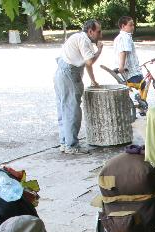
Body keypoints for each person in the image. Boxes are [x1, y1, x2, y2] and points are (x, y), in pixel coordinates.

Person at [54, 19, 103, 155]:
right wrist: (99, 50)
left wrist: (92, 80)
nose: (100, 34)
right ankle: (71, 145)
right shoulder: (85, 41)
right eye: (98, 31)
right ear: (90, 31)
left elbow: (87, 64)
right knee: (72, 110)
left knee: (63, 108)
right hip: (69, 75)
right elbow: (89, 61)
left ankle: (64, 143)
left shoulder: (76, 36)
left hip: (60, 73)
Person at [114, 16, 142, 84]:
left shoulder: (120, 37)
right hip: (132, 72)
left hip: (128, 72)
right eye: (130, 25)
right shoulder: (125, 37)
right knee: (141, 87)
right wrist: (121, 67)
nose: (133, 27)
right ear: (123, 26)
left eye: (133, 25)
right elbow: (123, 51)